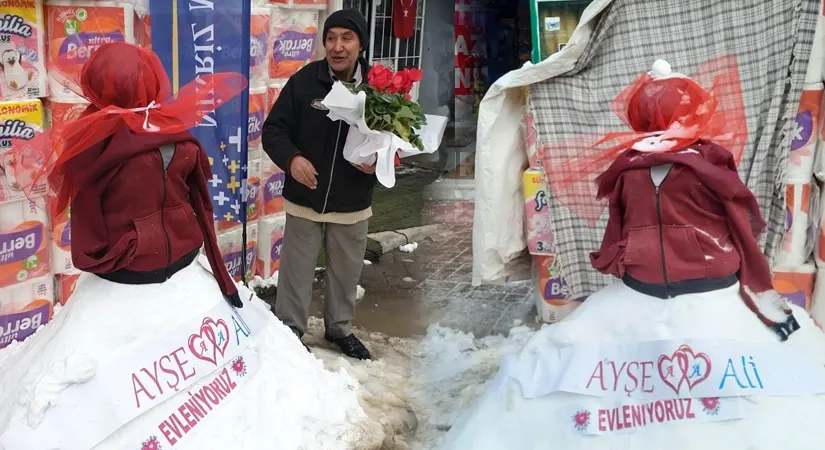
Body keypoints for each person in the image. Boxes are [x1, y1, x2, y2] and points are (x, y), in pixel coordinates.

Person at [0, 42, 373, 449]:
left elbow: (88, 226)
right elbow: (201, 201)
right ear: (152, 81)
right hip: (178, 265)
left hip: (123, 271)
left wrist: (101, 258)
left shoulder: (89, 146)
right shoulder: (176, 136)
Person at [441, 57, 825, 449]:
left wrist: (750, 276)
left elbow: (730, 224)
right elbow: (633, 223)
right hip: (662, 281)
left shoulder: (680, 164)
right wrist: (619, 254)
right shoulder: (646, 167)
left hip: (699, 283)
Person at [262, 9, 375, 360]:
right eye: (331, 38)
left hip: (352, 199)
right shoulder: (305, 81)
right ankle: (291, 329)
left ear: (361, 44)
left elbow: (397, 140)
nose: (337, 47)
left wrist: (380, 162)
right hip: (305, 197)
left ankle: (339, 329)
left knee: (345, 272)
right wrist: (293, 159)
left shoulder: (380, 88)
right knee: (296, 270)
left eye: (347, 38)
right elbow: (274, 130)